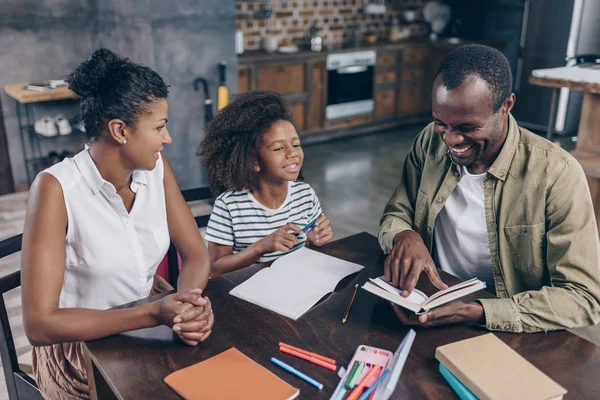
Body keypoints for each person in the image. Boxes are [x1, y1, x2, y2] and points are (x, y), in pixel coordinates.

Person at [21, 49, 214, 400]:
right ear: (120, 130)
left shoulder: (156, 168)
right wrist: (153, 313)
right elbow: (39, 323)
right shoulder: (55, 189)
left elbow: (196, 255)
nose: (167, 138)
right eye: (159, 127)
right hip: (81, 347)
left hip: (151, 322)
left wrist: (187, 306)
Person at [379, 44, 600, 333]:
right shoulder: (428, 142)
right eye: (440, 123)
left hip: (509, 327)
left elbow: (583, 298)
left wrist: (480, 311)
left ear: (506, 106)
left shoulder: (556, 173)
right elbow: (398, 212)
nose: (451, 139)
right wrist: (403, 234)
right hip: (431, 307)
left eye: (467, 127)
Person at [198, 90, 333, 276]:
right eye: (278, 148)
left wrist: (314, 242)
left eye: (296, 144)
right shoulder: (229, 206)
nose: (292, 153)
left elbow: (308, 254)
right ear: (254, 161)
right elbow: (215, 269)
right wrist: (261, 247)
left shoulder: (305, 195)